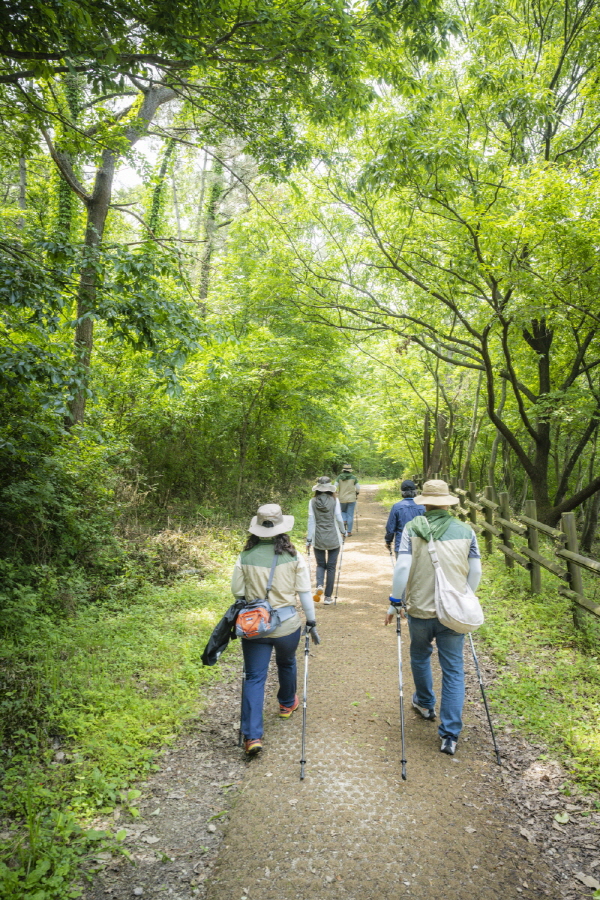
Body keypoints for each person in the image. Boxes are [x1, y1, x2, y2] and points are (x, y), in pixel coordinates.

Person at [385, 479, 482, 756]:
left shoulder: (413, 528)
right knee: (453, 670)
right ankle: (450, 734)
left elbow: (403, 565)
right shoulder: (466, 530)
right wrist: (465, 598)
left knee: (419, 654)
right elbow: (475, 572)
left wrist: (394, 601)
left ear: (424, 501)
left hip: (420, 609)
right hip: (453, 613)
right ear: (447, 502)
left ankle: (426, 704)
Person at [231, 503, 320, 756]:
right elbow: (304, 593)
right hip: (287, 625)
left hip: (254, 627)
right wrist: (311, 621)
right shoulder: (294, 556)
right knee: (287, 663)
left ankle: (252, 736)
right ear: (282, 528)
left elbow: (237, 591)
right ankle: (286, 704)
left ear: (257, 529)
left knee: (255, 676)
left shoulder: (245, 557)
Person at [306, 476, 346, 605]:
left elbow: (311, 521)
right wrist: (343, 531)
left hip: (318, 537)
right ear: (330, 488)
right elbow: (339, 518)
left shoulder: (312, 501)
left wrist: (309, 539)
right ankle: (328, 597)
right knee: (331, 567)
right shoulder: (335, 500)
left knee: (320, 564)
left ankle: (319, 584)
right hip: (333, 537)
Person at [385, 479, 425, 558]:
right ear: (415, 492)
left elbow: (390, 527)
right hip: (419, 545)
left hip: (401, 545)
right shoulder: (422, 507)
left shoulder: (396, 507)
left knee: (402, 569)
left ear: (402, 492)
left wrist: (388, 541)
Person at [334, 464, 360, 535]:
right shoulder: (354, 477)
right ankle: (349, 531)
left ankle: (344, 520)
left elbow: (334, 486)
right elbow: (358, 487)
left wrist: (335, 492)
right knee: (350, 514)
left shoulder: (339, 477)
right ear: (350, 470)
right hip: (352, 498)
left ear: (343, 470)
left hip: (342, 498)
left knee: (342, 511)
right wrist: (357, 493)